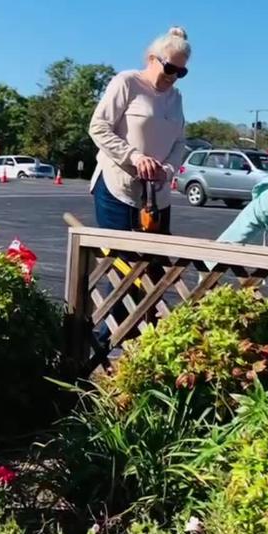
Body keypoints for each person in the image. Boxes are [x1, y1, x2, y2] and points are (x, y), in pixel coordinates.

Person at [85, 26, 190, 364]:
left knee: (154, 275)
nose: (174, 77)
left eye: (181, 72)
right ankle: (97, 352)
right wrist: (133, 156)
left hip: (156, 196)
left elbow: (179, 143)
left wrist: (169, 170)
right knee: (124, 273)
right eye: (169, 68)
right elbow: (98, 127)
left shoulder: (176, 99)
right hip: (117, 187)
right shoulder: (127, 82)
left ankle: (138, 354)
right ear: (151, 59)